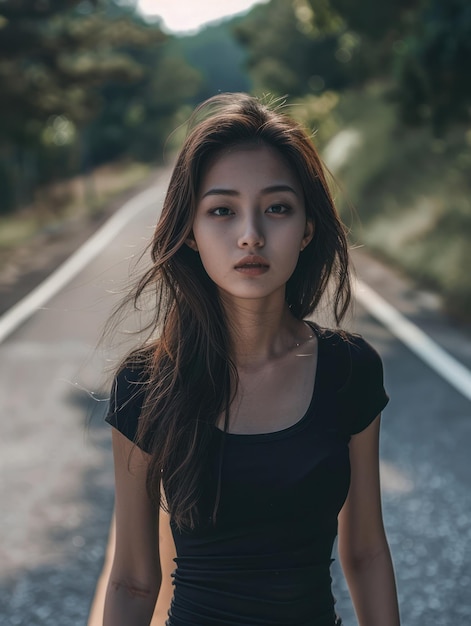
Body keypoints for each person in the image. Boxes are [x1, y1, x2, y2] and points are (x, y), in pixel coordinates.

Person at [102, 93, 401, 626]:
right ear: (189, 232)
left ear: (307, 228)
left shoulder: (349, 370)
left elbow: (366, 553)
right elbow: (132, 580)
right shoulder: (146, 384)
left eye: (277, 208)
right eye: (222, 210)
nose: (250, 235)